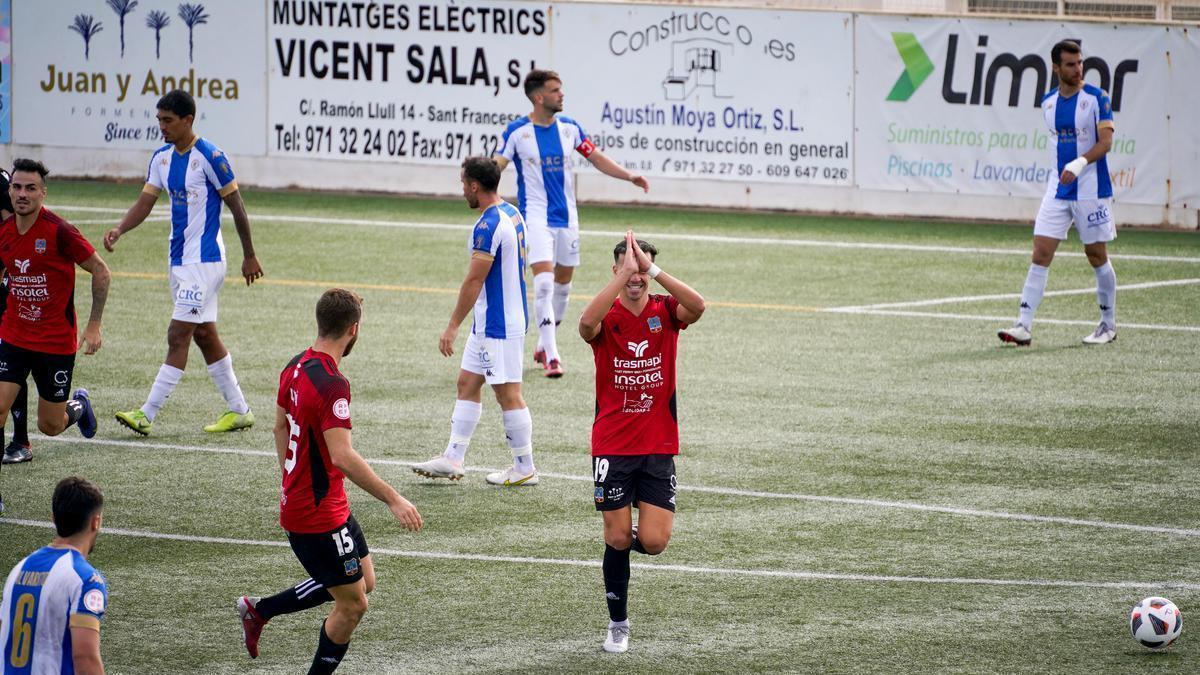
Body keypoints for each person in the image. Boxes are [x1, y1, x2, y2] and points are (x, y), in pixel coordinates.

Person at [237, 288, 422, 675]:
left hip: (321, 503)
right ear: (353, 329)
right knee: (353, 605)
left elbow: (278, 427)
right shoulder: (333, 384)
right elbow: (342, 456)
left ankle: (261, 609)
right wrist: (394, 499)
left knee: (363, 582)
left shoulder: (294, 366)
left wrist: (289, 480)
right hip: (318, 515)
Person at [104, 89, 264, 435]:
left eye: (168, 120)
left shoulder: (210, 156)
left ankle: (147, 413)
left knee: (178, 335)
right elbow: (145, 202)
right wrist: (120, 229)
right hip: (179, 261)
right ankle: (239, 410)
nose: (161, 126)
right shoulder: (161, 158)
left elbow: (237, 206)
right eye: (159, 120)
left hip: (204, 263)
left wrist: (249, 254)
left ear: (188, 120)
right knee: (204, 335)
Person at [578, 232, 706, 653]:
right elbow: (585, 326)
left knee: (654, 542)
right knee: (617, 539)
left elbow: (699, 306)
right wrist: (625, 275)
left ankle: (625, 526)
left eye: (642, 270)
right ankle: (618, 623)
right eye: (628, 268)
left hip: (657, 446)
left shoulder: (665, 311)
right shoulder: (608, 314)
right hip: (612, 446)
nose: (636, 276)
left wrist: (651, 269)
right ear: (615, 271)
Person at [495, 69, 649, 378]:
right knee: (543, 283)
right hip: (535, 217)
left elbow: (597, 158)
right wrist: (487, 194)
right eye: (554, 91)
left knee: (563, 287)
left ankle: (543, 342)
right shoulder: (517, 132)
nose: (561, 95)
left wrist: (629, 175)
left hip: (567, 218)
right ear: (539, 97)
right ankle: (552, 355)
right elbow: (496, 166)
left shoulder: (569, 128)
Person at [410, 157, 538, 487]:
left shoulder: (488, 225)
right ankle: (453, 457)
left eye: (463, 183)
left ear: (475, 186)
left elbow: (474, 281)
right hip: (490, 322)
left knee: (508, 394)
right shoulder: (511, 212)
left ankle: (524, 466)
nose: (462, 189)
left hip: (499, 325)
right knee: (467, 383)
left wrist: (452, 325)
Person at [998, 39, 1118, 347]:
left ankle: (1108, 324)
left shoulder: (1097, 98)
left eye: (1080, 63)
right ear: (1056, 67)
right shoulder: (1048, 102)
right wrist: (1063, 173)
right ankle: (1023, 325)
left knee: (1096, 255)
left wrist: (1079, 163)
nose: (1078, 69)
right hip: (1057, 188)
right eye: (1070, 64)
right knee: (1040, 252)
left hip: (1090, 189)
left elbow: (1105, 143)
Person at [0, 159, 107, 471]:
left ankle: (80, 406)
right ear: (9, 191)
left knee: (50, 425)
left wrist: (94, 324)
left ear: (42, 193)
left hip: (54, 343)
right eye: (17, 187)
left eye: (30, 188)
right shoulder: (4, 233)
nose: (22, 194)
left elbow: (101, 271)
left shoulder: (60, 231)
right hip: (14, 336)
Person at [1, 476, 108, 674]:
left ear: (53, 518)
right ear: (95, 522)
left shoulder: (19, 569)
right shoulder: (85, 579)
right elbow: (84, 656)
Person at [0, 169, 32, 472]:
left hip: (10, 289)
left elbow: (17, 231)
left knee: (11, 362)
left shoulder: (0, 182)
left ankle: (21, 441)